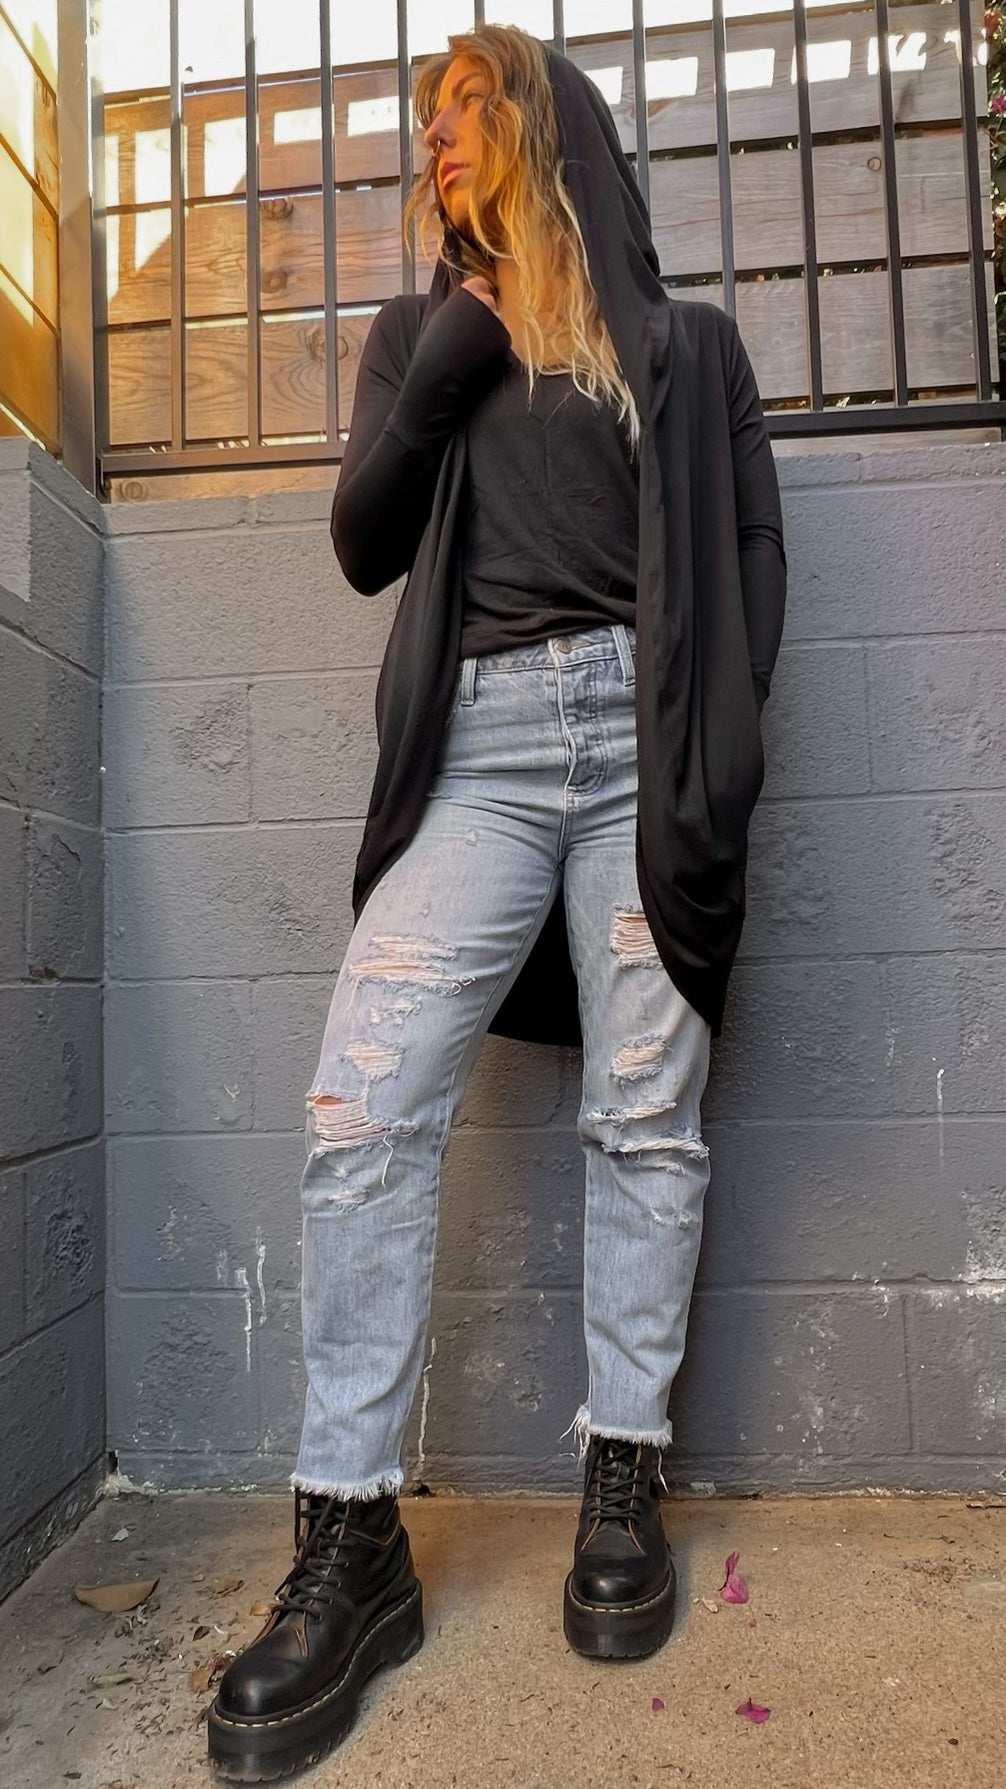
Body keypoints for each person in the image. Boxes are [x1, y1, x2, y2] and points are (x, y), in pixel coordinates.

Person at [207, 24, 786, 1781]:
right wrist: (451, 357)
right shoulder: (422, 335)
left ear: (542, 122)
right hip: (480, 752)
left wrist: (716, 749)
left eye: (464, 106)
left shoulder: (681, 345)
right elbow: (364, 540)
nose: (437, 138)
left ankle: (621, 1478)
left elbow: (748, 550)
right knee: (362, 1107)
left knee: (646, 1113)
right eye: (427, 119)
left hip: (640, 749)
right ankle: (350, 1535)